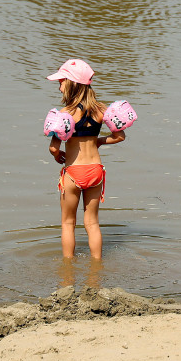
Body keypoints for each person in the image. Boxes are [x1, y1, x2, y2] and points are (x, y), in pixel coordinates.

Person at [46, 59, 125, 259]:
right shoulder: (101, 110)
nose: (59, 86)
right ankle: (96, 265)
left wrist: (57, 155)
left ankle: (68, 268)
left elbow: (54, 147)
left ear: (71, 84)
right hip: (95, 171)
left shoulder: (65, 114)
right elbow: (119, 136)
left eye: (61, 82)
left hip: (73, 172)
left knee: (67, 223)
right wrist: (98, 142)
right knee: (92, 223)